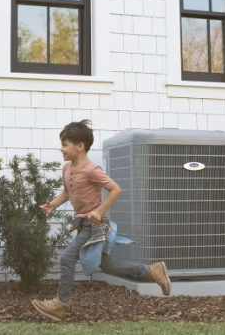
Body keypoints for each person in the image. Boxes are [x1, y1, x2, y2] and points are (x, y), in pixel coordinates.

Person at [32, 120, 172, 321]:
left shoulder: (91, 170)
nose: (61, 148)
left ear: (79, 146)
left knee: (67, 259)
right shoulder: (67, 169)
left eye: (65, 144)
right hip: (83, 225)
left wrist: (99, 211)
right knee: (109, 266)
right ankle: (152, 270)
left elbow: (116, 189)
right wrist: (52, 205)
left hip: (95, 226)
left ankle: (60, 304)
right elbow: (67, 191)